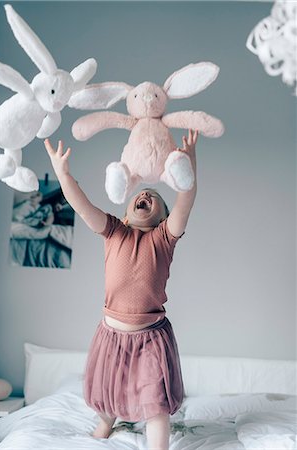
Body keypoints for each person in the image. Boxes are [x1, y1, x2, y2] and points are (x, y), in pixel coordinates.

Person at [44, 129, 198, 450]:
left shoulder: (163, 240)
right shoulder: (114, 231)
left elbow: (185, 203)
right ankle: (105, 423)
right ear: (126, 215)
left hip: (151, 336)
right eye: (140, 195)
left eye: (154, 198)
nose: (146, 195)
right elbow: (81, 205)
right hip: (111, 335)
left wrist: (188, 170)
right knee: (106, 393)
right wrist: (64, 174)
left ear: (163, 221)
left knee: (154, 401)